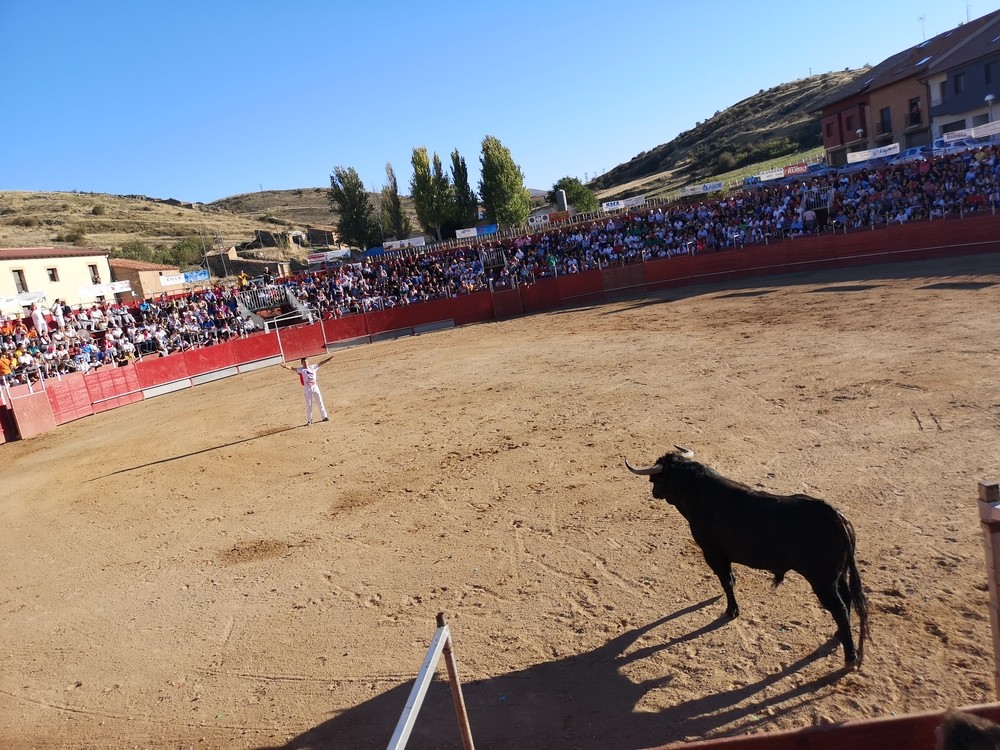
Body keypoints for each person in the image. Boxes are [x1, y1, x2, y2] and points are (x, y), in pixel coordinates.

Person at [281, 354, 333, 425]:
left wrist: (328, 359)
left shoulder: (313, 367)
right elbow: (292, 368)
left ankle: (324, 417)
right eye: (304, 362)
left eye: (306, 362)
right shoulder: (301, 370)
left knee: (320, 401)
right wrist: (285, 366)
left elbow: (321, 363)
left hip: (315, 386)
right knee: (309, 404)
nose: (305, 363)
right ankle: (309, 420)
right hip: (307, 388)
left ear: (307, 362)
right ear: (301, 363)